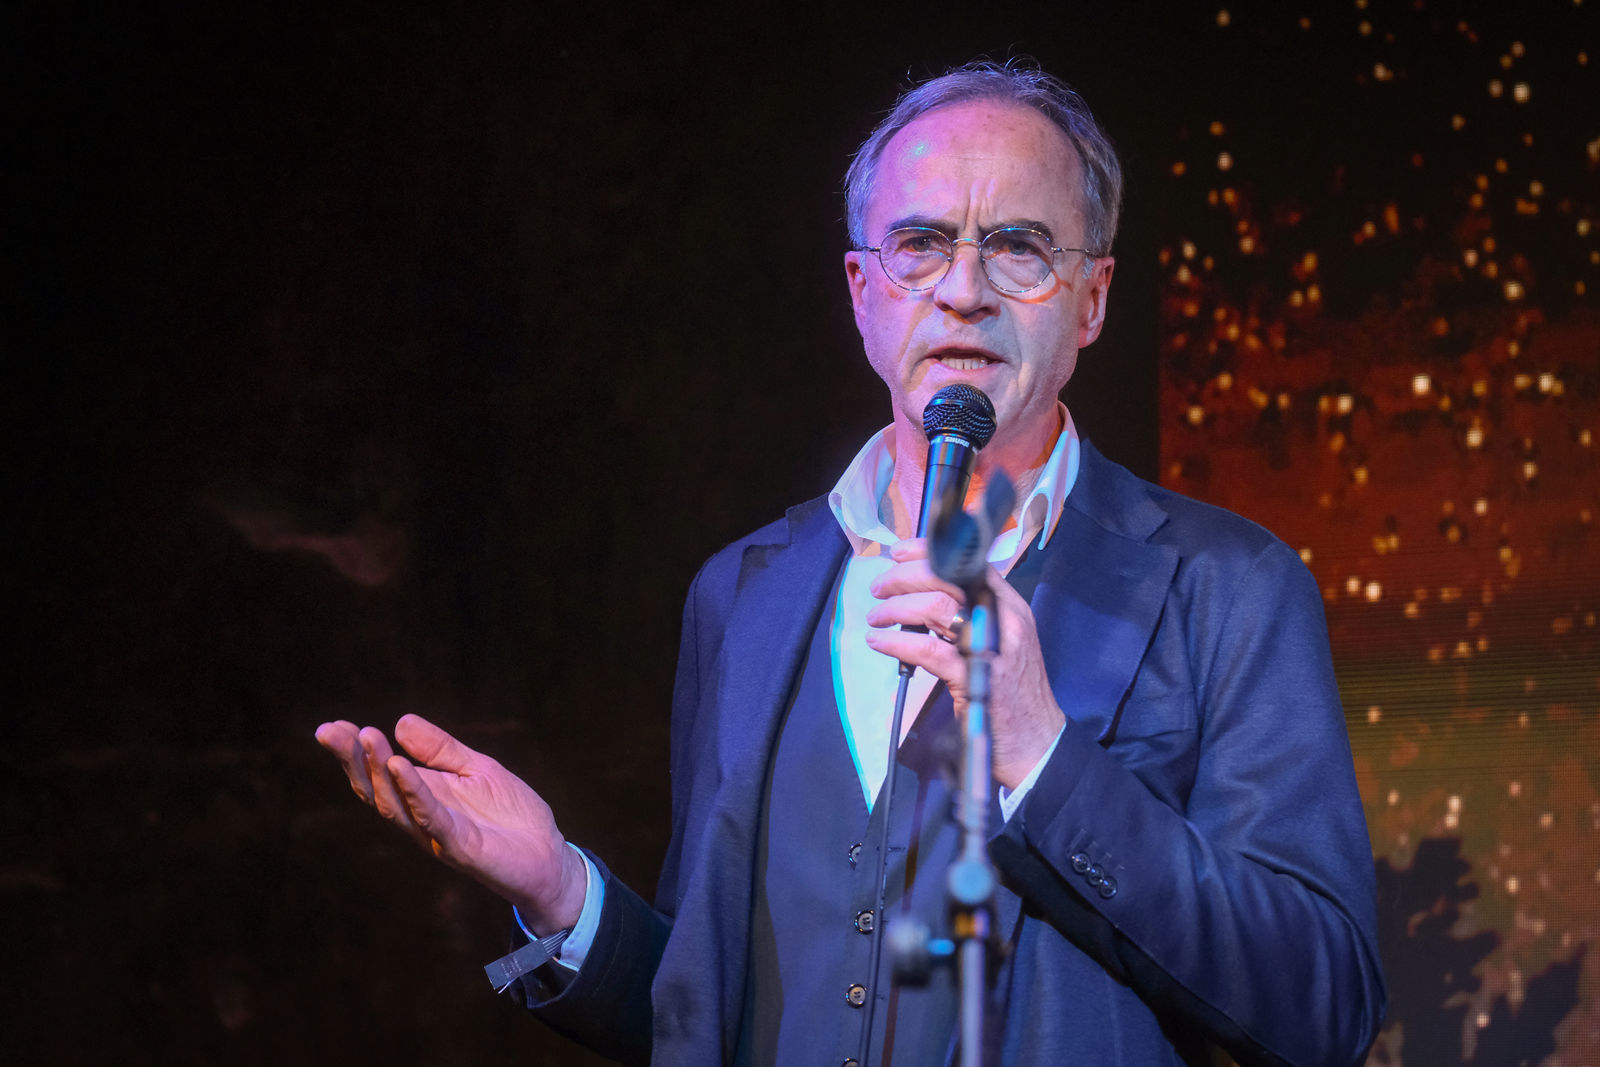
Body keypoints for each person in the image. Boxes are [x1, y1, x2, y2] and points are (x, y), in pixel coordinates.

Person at [317, 61, 1386, 1066]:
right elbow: (710, 1011)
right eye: (920, 244)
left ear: (1092, 298)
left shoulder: (1226, 587)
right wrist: (563, 891)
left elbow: (1322, 1004)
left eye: (1019, 247)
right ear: (862, 289)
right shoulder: (745, 592)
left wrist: (1043, 754)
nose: (963, 290)